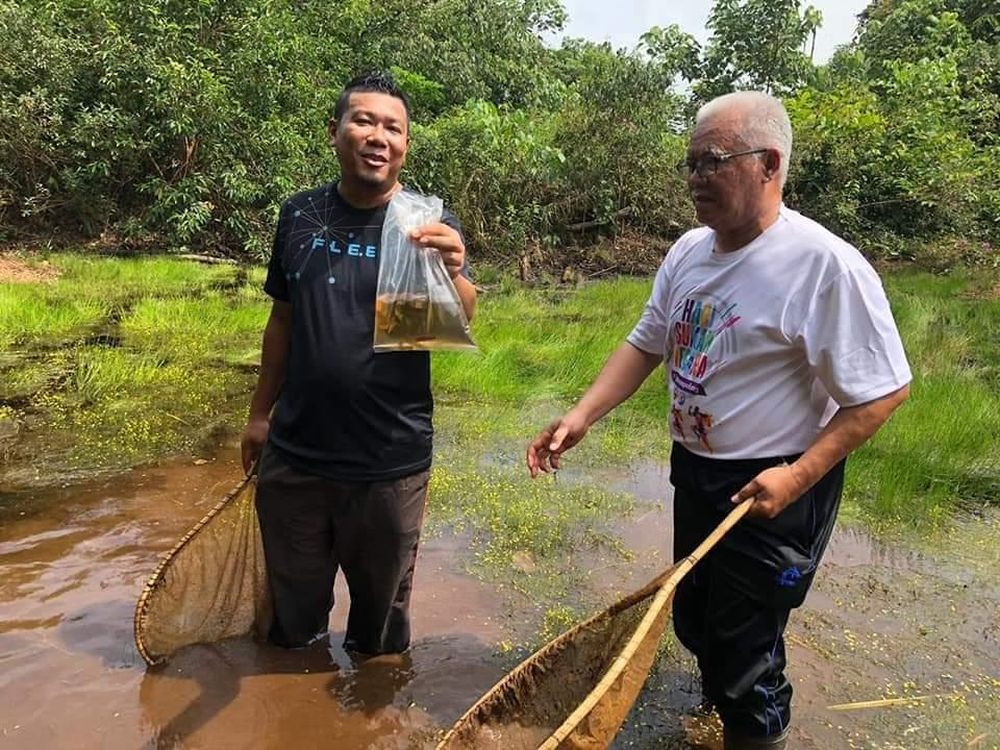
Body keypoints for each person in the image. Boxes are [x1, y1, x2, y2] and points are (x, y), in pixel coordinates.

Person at [526, 91, 910, 749]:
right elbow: (647, 341)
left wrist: (797, 477)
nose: (696, 178)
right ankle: (717, 717)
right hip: (698, 472)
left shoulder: (823, 266)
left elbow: (881, 393)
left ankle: (751, 730)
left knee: (747, 656)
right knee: (696, 622)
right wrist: (583, 414)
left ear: (768, 163)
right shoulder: (689, 252)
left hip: (775, 488)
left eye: (713, 161)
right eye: (691, 162)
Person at [242, 71, 476, 655]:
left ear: (405, 146)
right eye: (364, 120)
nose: (378, 136)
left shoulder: (423, 227)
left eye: (392, 127)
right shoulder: (298, 215)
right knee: (292, 624)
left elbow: (458, 319)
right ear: (336, 132)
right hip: (296, 456)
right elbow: (284, 321)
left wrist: (454, 270)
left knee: (378, 632)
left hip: (388, 462)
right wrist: (258, 416)